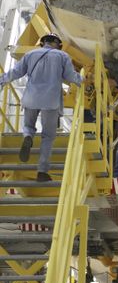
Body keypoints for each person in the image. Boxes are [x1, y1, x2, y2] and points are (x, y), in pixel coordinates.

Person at [0, 32, 82, 182]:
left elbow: (16, 72)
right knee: (48, 136)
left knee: (28, 126)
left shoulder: (30, 54)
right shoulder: (62, 56)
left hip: (31, 98)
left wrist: (2, 81)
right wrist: (83, 81)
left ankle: (28, 137)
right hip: (50, 101)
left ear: (42, 42)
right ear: (58, 44)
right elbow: (71, 76)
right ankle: (42, 171)